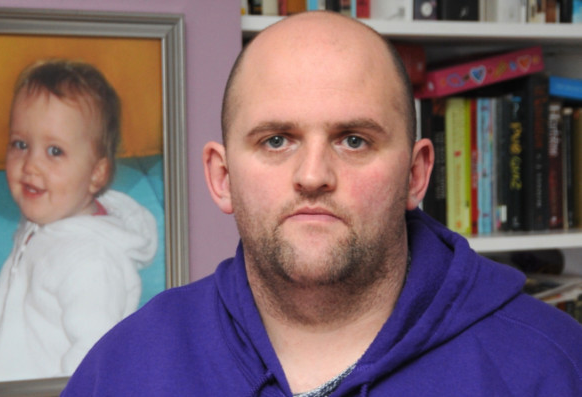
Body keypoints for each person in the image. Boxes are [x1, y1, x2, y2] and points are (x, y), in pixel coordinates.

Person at [62, 11, 582, 396]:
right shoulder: (124, 368)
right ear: (222, 177)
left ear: (416, 174)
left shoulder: (553, 366)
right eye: (276, 140)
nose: (313, 176)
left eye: (353, 140)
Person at [0, 59, 158, 384]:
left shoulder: (92, 263)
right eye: (21, 144)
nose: (30, 164)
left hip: (26, 375)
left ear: (96, 173)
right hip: (4, 324)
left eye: (55, 151)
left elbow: (92, 360)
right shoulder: (61, 209)